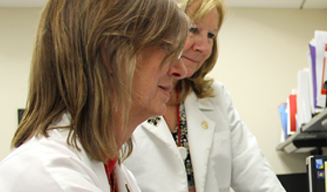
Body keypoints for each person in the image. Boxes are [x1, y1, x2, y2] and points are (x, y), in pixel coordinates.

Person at [0, 0, 189, 191]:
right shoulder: (45, 177)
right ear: (109, 51)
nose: (181, 70)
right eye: (166, 47)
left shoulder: (115, 174)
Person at [122, 0, 286, 191]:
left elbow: (256, 174)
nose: (204, 47)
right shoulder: (124, 96)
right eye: (193, 30)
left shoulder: (215, 97)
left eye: (211, 35)